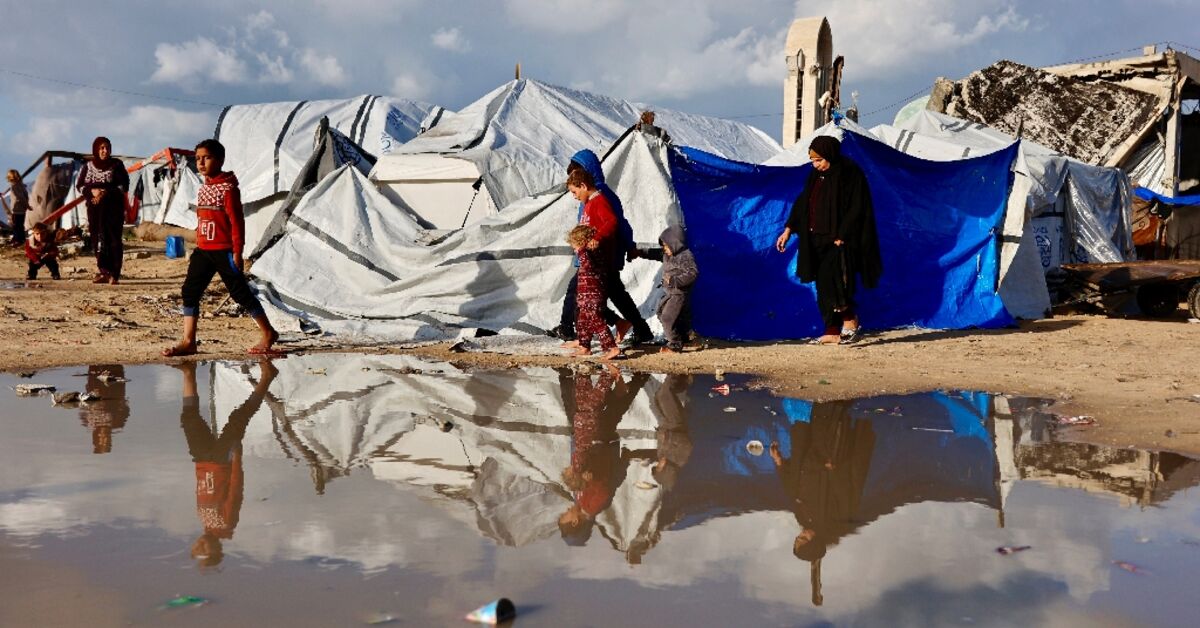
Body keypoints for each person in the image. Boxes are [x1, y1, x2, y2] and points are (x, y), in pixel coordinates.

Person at [163, 139, 279, 357]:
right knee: (190, 291)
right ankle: (189, 341)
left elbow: (237, 223)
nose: (201, 162)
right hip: (204, 250)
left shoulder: (229, 189)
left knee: (240, 293)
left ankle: (268, 332)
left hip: (224, 250)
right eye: (197, 159)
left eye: (206, 158)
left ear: (220, 160)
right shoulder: (204, 188)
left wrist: (237, 252)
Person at [775, 136, 882, 345]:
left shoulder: (850, 173)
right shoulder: (815, 176)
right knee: (822, 286)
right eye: (813, 161)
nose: (816, 165)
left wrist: (842, 235)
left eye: (819, 160)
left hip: (840, 241)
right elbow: (803, 202)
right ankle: (832, 330)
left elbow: (857, 207)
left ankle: (850, 319)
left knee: (834, 283)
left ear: (830, 155)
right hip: (815, 239)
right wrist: (788, 230)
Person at [769, 399, 875, 606]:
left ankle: (824, 399)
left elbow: (793, 491)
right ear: (814, 541)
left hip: (805, 461)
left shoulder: (802, 517)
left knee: (807, 425)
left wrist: (780, 463)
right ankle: (835, 399)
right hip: (827, 463)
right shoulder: (835, 519)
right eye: (802, 540)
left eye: (797, 539)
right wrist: (833, 471)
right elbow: (846, 491)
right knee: (826, 422)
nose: (799, 535)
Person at [178, 358, 276, 568]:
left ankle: (188, 372)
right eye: (204, 551)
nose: (199, 547)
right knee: (239, 417)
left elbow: (202, 490)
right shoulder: (226, 524)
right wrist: (237, 459)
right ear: (216, 550)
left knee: (189, 419)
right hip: (223, 460)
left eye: (197, 550)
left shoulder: (205, 524)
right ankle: (266, 379)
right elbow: (235, 492)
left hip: (201, 460)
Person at [553, 149, 653, 346]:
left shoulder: (602, 196)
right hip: (593, 255)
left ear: (585, 176)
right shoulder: (589, 198)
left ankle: (571, 330)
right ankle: (638, 329)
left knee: (581, 293)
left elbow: (617, 223)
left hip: (603, 256)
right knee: (612, 294)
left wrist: (629, 246)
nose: (574, 193)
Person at [76, 137, 129, 284]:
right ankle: (103, 271)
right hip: (95, 210)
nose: (105, 151)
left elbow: (123, 186)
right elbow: (80, 186)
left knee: (113, 240)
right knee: (97, 239)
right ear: (95, 150)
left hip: (113, 210)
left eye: (107, 148)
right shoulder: (88, 166)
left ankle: (114, 274)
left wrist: (104, 192)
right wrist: (92, 191)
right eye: (101, 148)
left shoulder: (116, 165)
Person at [564, 224, 621, 360]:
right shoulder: (589, 252)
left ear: (581, 242)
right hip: (585, 294)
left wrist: (582, 251)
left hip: (593, 294)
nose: (574, 249)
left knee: (597, 321)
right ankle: (585, 346)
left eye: (575, 245)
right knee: (581, 320)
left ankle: (612, 347)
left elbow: (590, 267)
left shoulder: (591, 252)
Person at [641, 225, 699, 353]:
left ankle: (674, 344)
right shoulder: (667, 255)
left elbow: (693, 273)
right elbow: (654, 253)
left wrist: (675, 280)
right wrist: (640, 252)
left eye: (666, 246)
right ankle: (685, 339)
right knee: (661, 312)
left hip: (679, 293)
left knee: (668, 317)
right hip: (670, 293)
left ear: (674, 243)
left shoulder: (685, 256)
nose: (664, 249)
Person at [5, 169, 30, 246]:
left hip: (17, 210)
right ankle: (18, 239)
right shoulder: (22, 186)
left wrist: (27, 205)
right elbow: (24, 197)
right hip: (22, 209)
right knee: (19, 225)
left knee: (16, 225)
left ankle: (18, 240)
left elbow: (20, 198)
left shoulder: (14, 187)